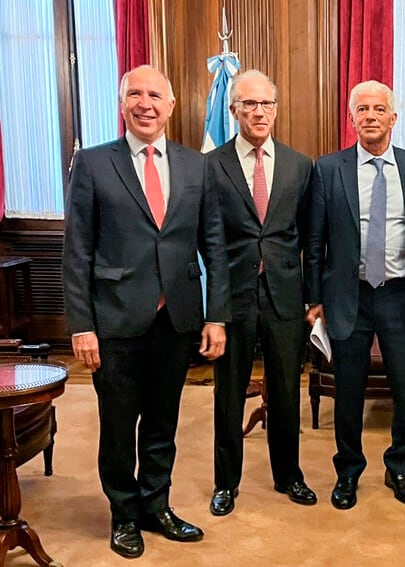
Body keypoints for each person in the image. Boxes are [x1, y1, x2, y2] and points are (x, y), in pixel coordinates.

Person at [63, 65, 230, 559]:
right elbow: (77, 251)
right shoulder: (92, 164)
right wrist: (82, 325)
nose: (145, 103)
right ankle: (124, 515)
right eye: (134, 94)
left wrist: (215, 315)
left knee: (162, 421)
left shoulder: (195, 166)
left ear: (172, 105)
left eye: (155, 94)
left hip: (176, 320)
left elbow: (214, 246)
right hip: (114, 323)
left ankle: (156, 506)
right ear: (122, 104)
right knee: (118, 425)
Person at [304, 80, 405, 510]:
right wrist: (313, 297)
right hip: (348, 295)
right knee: (349, 390)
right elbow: (315, 239)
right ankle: (348, 471)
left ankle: (400, 467)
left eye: (380, 109)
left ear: (393, 119)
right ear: (352, 118)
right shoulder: (328, 169)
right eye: (363, 109)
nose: (371, 116)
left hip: (402, 293)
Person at [204, 69, 317, 516]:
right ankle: (225, 483)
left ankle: (289, 475)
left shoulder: (299, 165)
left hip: (285, 296)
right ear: (233, 110)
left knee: (286, 388)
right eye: (248, 104)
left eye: (265, 103)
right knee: (228, 393)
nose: (258, 112)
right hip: (233, 296)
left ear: (276, 109)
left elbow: (311, 237)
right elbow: (207, 240)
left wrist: (313, 297)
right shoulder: (212, 166)